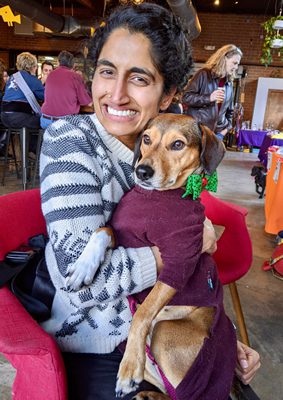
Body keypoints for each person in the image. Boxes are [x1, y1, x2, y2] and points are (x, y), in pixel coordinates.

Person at [39, 5, 259, 399]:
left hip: (168, 327)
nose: (117, 93)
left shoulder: (170, 155)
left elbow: (193, 271)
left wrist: (213, 337)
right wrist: (178, 253)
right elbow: (82, 285)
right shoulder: (69, 141)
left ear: (169, 94)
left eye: (138, 78)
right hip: (101, 341)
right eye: (107, 71)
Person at [182, 44, 243, 141]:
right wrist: (209, 98)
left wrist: (225, 130)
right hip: (197, 131)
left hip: (217, 135)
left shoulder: (229, 84)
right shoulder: (203, 74)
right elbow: (186, 97)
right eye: (234, 63)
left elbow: (230, 112)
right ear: (224, 59)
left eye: (237, 64)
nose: (236, 67)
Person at [1, 52, 44, 153]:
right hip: (18, 118)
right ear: (32, 66)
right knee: (43, 122)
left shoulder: (12, 77)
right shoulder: (33, 80)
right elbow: (45, 96)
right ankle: (37, 152)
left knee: (33, 121)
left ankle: (27, 154)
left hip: (4, 117)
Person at [40, 50, 92, 129]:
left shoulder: (50, 75)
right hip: (65, 123)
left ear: (58, 62)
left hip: (46, 121)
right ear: (72, 64)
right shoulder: (75, 76)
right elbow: (87, 103)